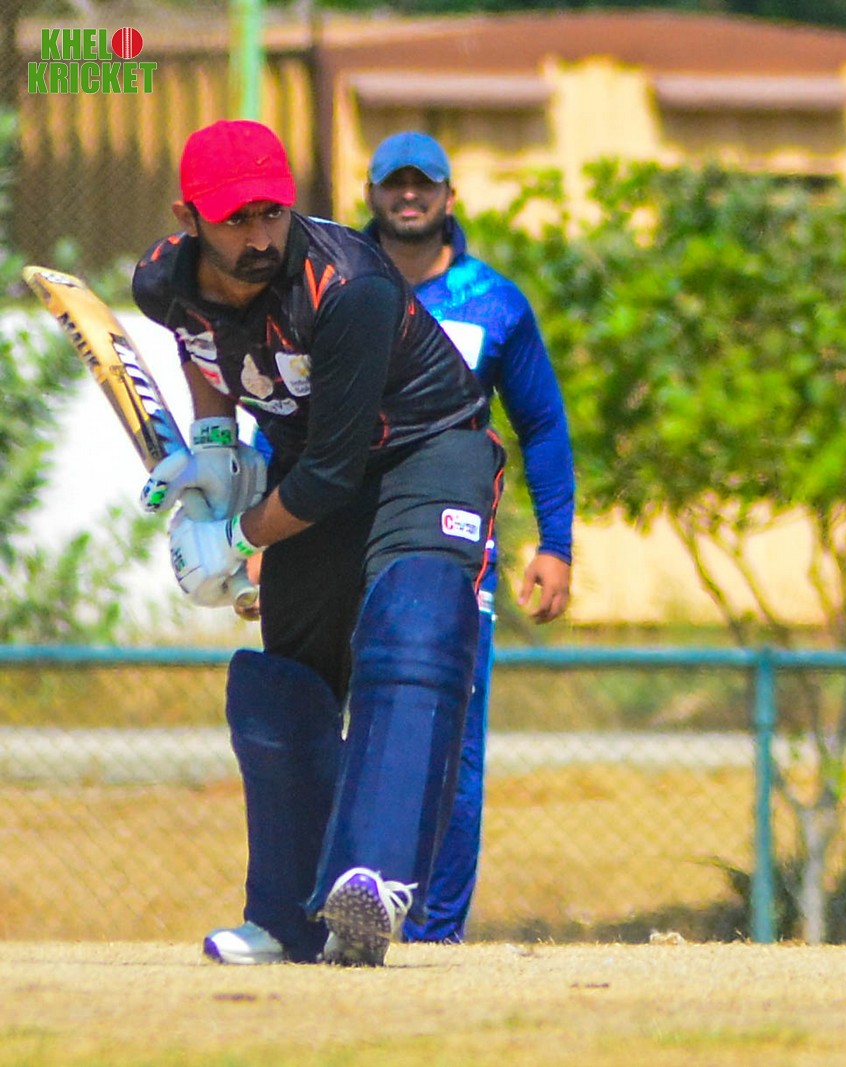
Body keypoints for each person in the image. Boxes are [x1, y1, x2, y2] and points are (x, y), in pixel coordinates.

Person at [132, 118, 505, 967]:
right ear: (189, 218)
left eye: (271, 212)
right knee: (286, 679)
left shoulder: (346, 287)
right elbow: (200, 345)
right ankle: (286, 918)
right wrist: (217, 445)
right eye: (236, 220)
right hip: (312, 461)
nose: (260, 236)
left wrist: (231, 539)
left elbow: (331, 478)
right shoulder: (161, 280)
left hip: (428, 450)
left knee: (413, 627)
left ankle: (372, 882)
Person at [362, 130, 575, 943]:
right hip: (344, 533)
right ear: (373, 193)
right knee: (337, 724)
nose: (409, 196)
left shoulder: (494, 301)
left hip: (455, 547)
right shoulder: (342, 284)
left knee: (451, 735)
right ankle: (330, 903)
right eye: (395, 183)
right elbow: (290, 405)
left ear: (450, 197)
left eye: (424, 183)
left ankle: (434, 930)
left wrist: (556, 543)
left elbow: (542, 426)